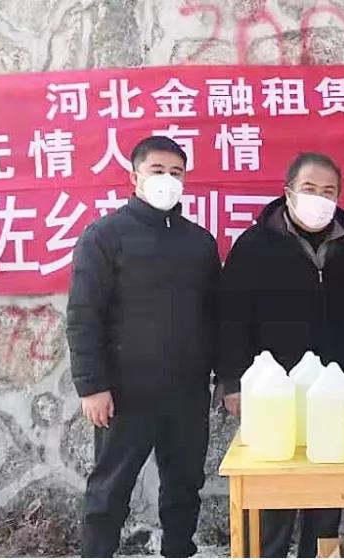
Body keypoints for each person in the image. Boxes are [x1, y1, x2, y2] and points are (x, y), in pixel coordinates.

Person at [67, 136, 220, 558]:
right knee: (109, 490)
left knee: (184, 486)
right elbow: (83, 315)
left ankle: (178, 551)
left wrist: (223, 377)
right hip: (124, 392)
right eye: (157, 170)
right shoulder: (104, 236)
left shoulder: (199, 242)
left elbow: (215, 315)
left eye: (176, 172)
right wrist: (91, 386)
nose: (167, 179)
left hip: (186, 391)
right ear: (134, 177)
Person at [217, 152, 344, 558]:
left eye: (329, 191)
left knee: (326, 493)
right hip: (274, 393)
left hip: (335, 393)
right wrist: (233, 382)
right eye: (309, 189)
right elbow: (231, 318)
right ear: (288, 192)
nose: (319, 198)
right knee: (274, 496)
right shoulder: (254, 247)